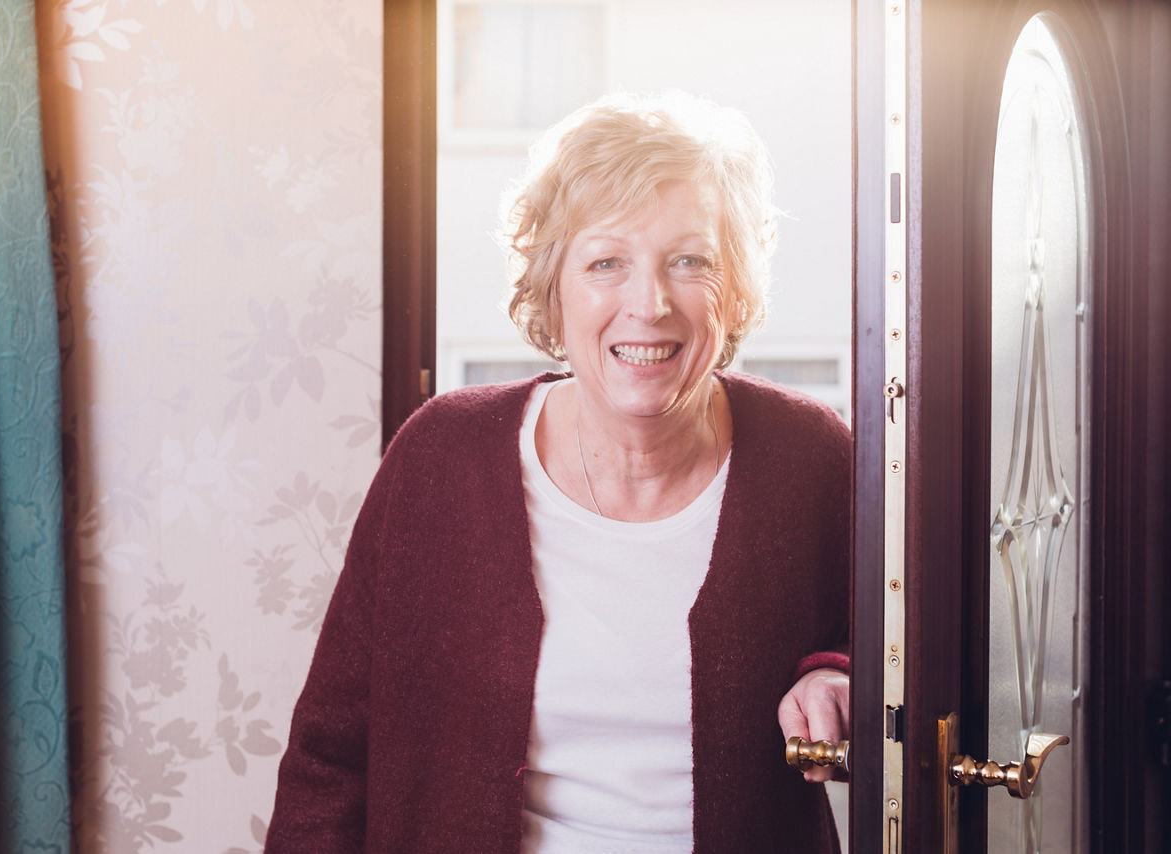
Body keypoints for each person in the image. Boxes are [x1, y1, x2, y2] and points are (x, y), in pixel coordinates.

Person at [265, 91, 850, 853]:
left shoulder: (810, 457)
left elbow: (901, 665)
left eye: (690, 261)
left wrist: (838, 678)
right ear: (554, 286)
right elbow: (330, 758)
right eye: (607, 262)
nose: (649, 303)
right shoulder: (441, 458)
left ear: (735, 285)